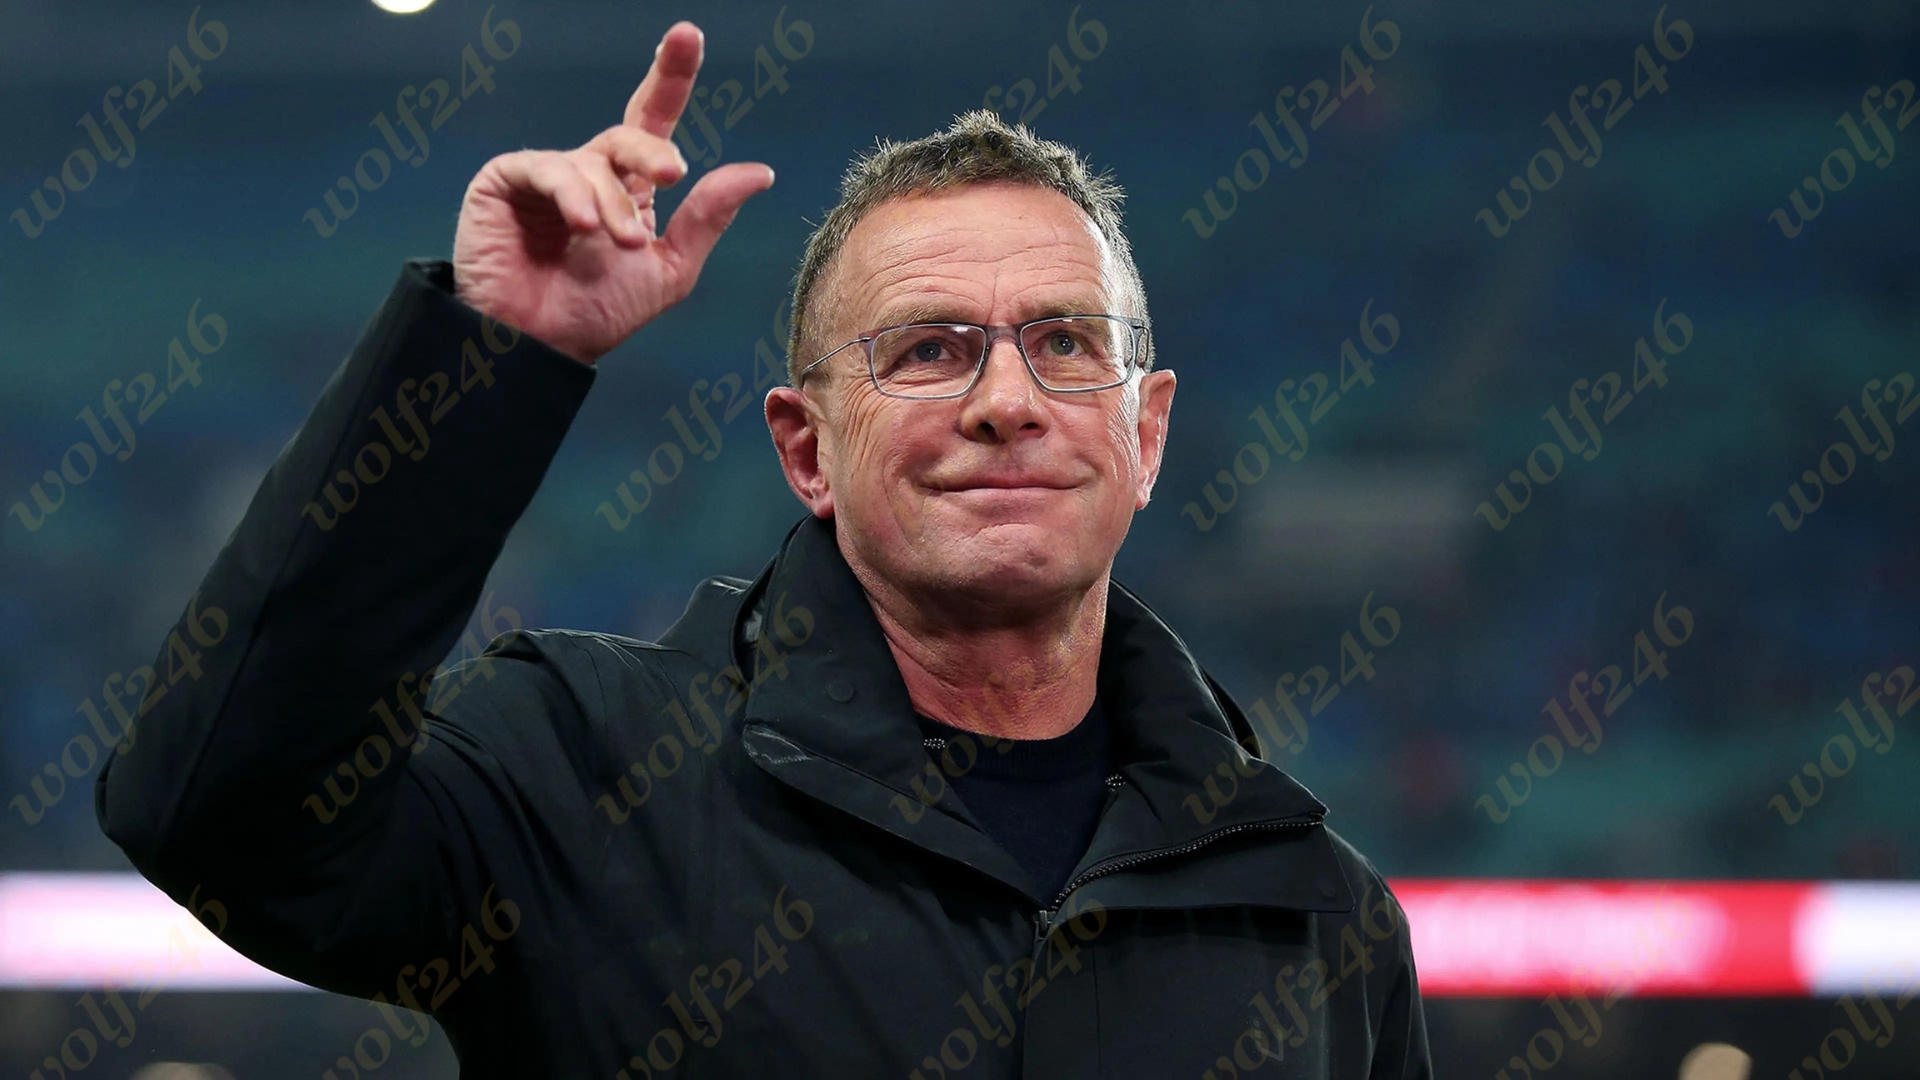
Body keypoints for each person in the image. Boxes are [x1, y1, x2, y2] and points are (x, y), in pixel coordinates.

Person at [97, 20, 1429, 1079]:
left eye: (1066, 344)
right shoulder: (581, 770)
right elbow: (222, 823)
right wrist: (483, 364)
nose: (1007, 400)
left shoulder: (1316, 913)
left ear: (1147, 434)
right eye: (929, 350)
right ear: (806, 452)